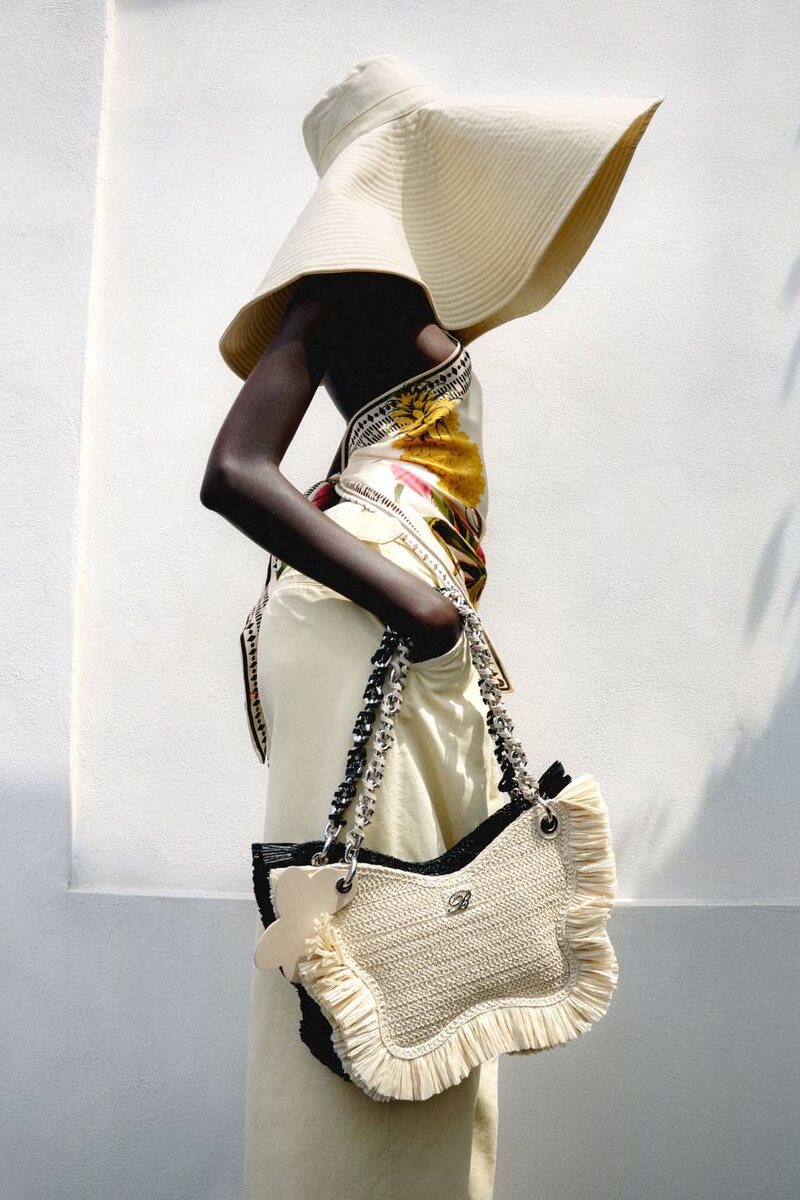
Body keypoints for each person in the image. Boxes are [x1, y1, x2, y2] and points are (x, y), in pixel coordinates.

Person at [201, 53, 663, 1200]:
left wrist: (424, 613)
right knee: (366, 920)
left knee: (428, 938)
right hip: (378, 612)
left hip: (388, 614)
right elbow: (233, 470)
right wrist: (413, 608)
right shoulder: (346, 277)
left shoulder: (385, 287)